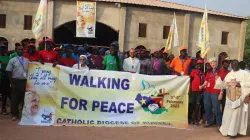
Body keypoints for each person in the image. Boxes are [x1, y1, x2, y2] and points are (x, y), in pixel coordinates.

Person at [219, 60, 250, 138]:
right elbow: (224, 85)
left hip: (240, 98)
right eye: (232, 65)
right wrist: (223, 84)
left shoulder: (245, 73)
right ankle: (226, 130)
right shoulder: (229, 74)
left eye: (235, 65)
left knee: (236, 114)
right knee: (228, 114)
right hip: (229, 98)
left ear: (238, 64)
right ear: (231, 65)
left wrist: (240, 84)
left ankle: (233, 132)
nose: (234, 66)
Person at [6, 45, 29, 121]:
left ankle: (23, 114)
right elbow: (9, 72)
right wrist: (11, 83)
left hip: (24, 81)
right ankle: (15, 114)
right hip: (15, 81)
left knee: (24, 98)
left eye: (22, 50)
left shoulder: (27, 60)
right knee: (14, 99)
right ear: (16, 50)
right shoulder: (12, 60)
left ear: (24, 51)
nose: (20, 51)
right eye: (19, 49)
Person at [200, 58, 222, 129]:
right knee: (207, 106)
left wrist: (221, 93)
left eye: (214, 62)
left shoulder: (220, 71)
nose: (213, 64)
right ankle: (209, 121)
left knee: (216, 108)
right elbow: (206, 81)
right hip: (207, 91)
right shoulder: (209, 71)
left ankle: (219, 123)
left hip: (216, 91)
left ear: (216, 63)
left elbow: (223, 83)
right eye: (211, 63)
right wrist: (202, 86)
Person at [189, 60, 205, 125]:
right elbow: (190, 80)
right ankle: (191, 118)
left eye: (200, 64)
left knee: (198, 105)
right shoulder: (193, 71)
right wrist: (190, 89)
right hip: (193, 90)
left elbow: (204, 82)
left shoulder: (203, 73)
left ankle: (195, 119)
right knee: (192, 104)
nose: (199, 65)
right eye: (198, 64)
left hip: (200, 91)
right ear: (196, 64)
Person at [0, 44, 11, 115]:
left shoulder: (8, 57)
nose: (3, 50)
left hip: (7, 78)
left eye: (4, 48)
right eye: (1, 49)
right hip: (1, 78)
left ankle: (4, 108)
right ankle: (3, 108)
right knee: (3, 94)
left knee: (6, 94)